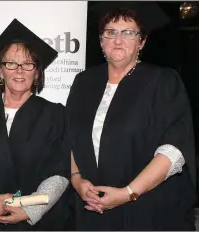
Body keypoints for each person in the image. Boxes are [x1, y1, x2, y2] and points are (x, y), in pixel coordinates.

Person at [66, 2, 197, 230]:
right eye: (111, 32)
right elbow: (69, 138)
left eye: (128, 33)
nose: (118, 40)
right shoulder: (84, 82)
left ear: (142, 41)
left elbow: (174, 150)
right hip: (91, 210)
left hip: (146, 209)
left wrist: (128, 193)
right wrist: (76, 179)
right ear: (101, 40)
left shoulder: (162, 82)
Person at [0, 19, 71, 230]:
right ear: (0, 71)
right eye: (11, 63)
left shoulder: (54, 113)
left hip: (35, 222)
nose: (19, 71)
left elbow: (59, 173)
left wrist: (29, 210)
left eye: (28, 64)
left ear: (36, 73)